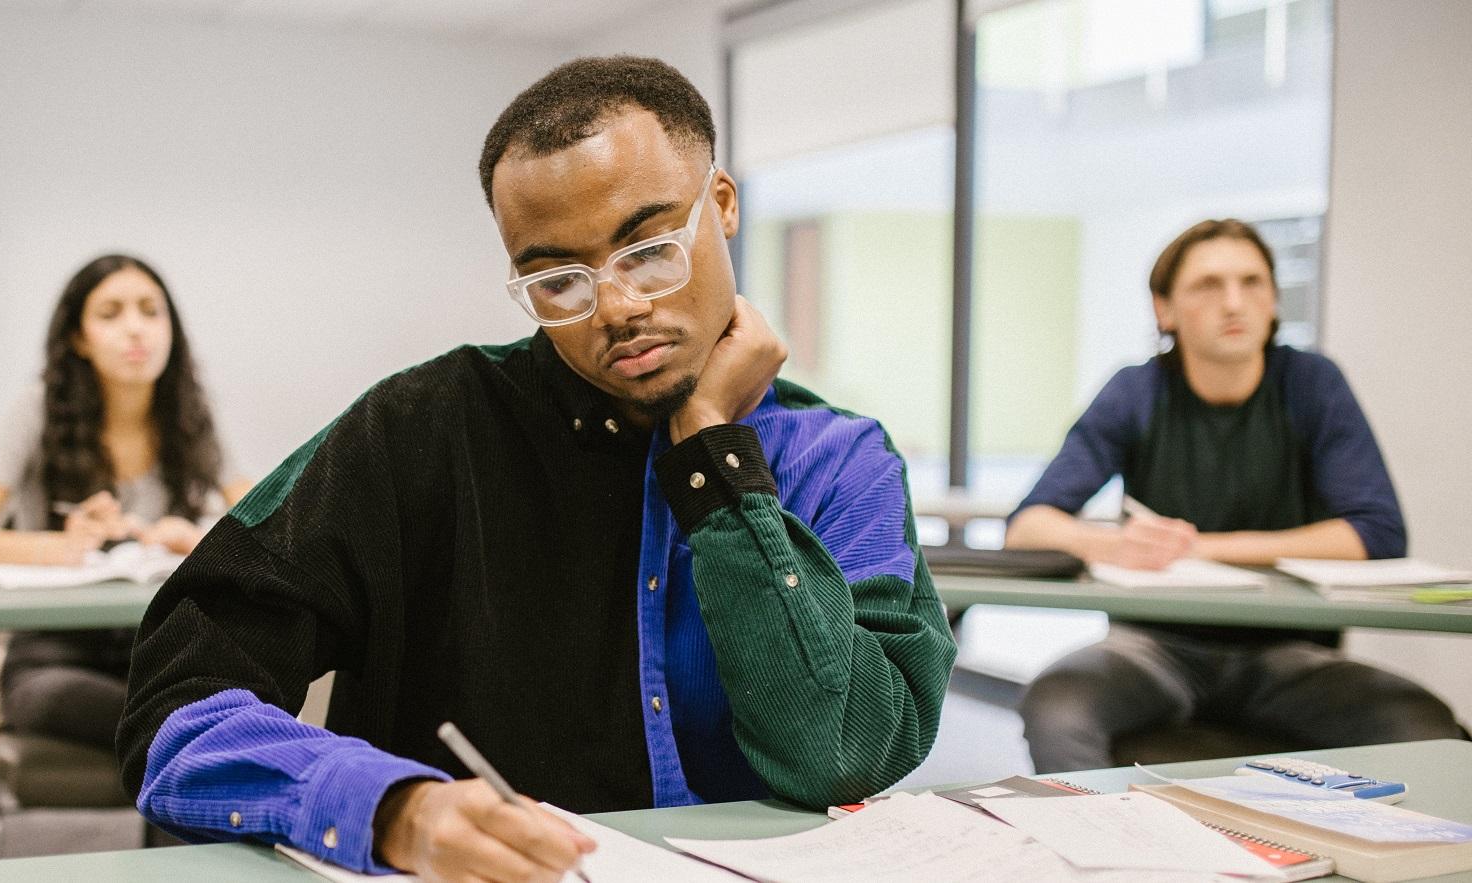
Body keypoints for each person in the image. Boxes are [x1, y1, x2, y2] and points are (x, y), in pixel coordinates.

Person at [116, 56, 955, 880]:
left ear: (723, 206)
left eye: (650, 249)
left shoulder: (840, 460)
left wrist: (711, 457)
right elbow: (177, 704)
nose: (620, 308)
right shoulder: (415, 431)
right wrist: (392, 809)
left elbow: (846, 753)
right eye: (559, 280)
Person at [1005, 219, 1460, 773]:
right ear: (1164, 309)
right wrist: (1112, 544)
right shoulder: (1136, 390)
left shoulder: (1312, 384)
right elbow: (1028, 526)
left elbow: (1376, 533)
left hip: (1291, 656)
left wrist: (1199, 548)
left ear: (1273, 302)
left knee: (1423, 723)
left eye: (1252, 283)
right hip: (1153, 649)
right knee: (1057, 705)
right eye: (1208, 285)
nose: (1234, 302)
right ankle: (1098, 846)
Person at [0, 253, 239, 751]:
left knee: (196, 714)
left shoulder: (190, 414)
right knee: (183, 728)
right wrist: (59, 546)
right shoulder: (36, 408)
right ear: (78, 338)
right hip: (55, 656)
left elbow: (264, 531)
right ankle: (181, 736)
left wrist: (200, 541)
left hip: (164, 649)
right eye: (110, 314)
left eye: (150, 311)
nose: (136, 329)